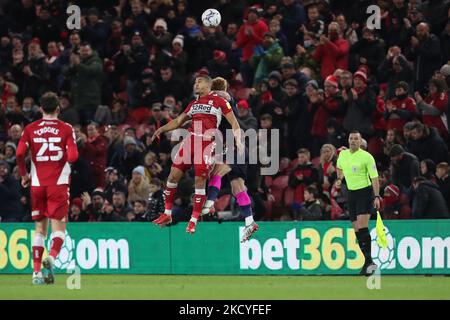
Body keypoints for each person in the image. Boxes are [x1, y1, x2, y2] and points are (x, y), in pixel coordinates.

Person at [150, 74, 244, 234]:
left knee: (199, 181)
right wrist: (161, 129)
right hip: (190, 141)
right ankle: (167, 214)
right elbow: (178, 121)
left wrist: (239, 141)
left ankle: (193, 221)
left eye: (198, 82)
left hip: (207, 143)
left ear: (208, 85)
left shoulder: (220, 101)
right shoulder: (194, 103)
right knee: (172, 177)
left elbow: (234, 122)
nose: (195, 84)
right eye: (195, 82)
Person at [15, 92, 79, 285]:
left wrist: (24, 175)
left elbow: (19, 153)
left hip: (37, 184)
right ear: (58, 109)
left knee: (39, 229)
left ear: (41, 108)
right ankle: (51, 257)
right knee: (58, 228)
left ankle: (35, 274)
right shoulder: (66, 128)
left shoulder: (30, 128)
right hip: (58, 184)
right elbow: (74, 157)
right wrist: (63, 160)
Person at [199, 77, 259, 242]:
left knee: (217, 173)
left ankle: (209, 204)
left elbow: (223, 95)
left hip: (234, 148)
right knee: (237, 187)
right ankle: (250, 221)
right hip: (235, 148)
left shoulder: (223, 98)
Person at [336, 131, 380, 276]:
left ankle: (369, 263)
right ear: (348, 140)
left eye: (356, 139)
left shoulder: (367, 157)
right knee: (356, 230)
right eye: (351, 138)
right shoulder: (343, 155)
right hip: (351, 194)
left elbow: (374, 178)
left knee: (362, 227)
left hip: (364, 193)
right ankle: (368, 262)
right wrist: (339, 178)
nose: (353, 141)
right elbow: (339, 167)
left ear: (360, 141)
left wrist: (377, 196)